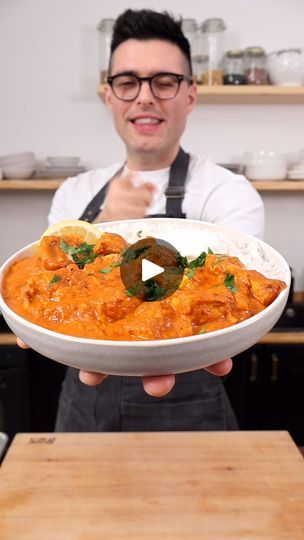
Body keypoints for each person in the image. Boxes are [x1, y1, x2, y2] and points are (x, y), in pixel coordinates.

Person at [19, 9, 264, 431]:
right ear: (109, 96)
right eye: (128, 83)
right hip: (84, 393)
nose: (145, 97)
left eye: (164, 82)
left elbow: (232, 300)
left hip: (193, 397)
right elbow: (47, 274)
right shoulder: (75, 193)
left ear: (190, 95)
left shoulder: (228, 191)